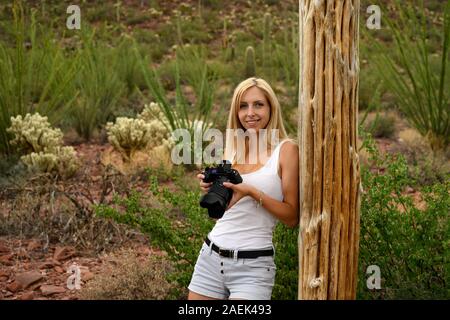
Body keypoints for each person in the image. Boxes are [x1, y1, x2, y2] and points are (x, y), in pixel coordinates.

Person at [188, 77, 299, 300]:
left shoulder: (286, 150)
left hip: (253, 266)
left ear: (271, 108)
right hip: (210, 257)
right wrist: (214, 191)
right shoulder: (233, 150)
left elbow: (291, 217)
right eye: (243, 106)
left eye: (258, 104)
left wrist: (251, 191)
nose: (250, 113)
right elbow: (225, 217)